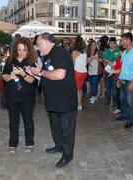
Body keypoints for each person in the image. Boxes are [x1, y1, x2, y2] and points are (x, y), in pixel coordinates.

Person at [29, 33, 77, 169]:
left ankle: (67, 156)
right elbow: (46, 76)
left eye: (38, 45)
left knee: (67, 131)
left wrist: (40, 72)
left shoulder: (60, 52)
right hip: (53, 101)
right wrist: (32, 72)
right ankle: (59, 146)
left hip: (65, 101)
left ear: (47, 42)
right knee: (55, 128)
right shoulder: (47, 56)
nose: (37, 48)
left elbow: (60, 75)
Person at [2, 37, 37, 154]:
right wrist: (10, 76)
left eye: (24, 50)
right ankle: (12, 144)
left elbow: (32, 80)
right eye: (19, 50)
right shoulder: (9, 60)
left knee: (28, 121)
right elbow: (4, 76)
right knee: (13, 121)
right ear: (15, 49)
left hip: (27, 97)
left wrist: (23, 74)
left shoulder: (32, 62)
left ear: (28, 50)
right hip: (12, 96)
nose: (21, 52)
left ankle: (29, 143)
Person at [116, 32, 133, 128]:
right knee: (122, 99)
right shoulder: (124, 53)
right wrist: (119, 78)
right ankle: (124, 115)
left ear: (128, 40)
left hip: (130, 81)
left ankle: (130, 121)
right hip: (122, 79)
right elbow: (122, 67)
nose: (121, 42)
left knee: (130, 102)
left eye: (122, 40)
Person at [71, 36, 87, 110]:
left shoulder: (74, 52)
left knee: (77, 89)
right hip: (84, 72)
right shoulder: (84, 52)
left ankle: (79, 105)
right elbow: (85, 63)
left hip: (77, 72)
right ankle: (79, 103)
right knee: (80, 88)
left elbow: (72, 63)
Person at [103, 37, 120, 106]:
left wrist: (114, 66)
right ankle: (108, 99)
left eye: (113, 43)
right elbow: (104, 59)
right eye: (111, 43)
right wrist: (107, 65)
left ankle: (115, 101)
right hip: (107, 71)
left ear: (115, 44)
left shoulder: (118, 51)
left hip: (115, 72)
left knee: (114, 86)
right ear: (109, 43)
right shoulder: (107, 51)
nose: (112, 45)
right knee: (107, 86)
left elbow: (119, 61)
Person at [87, 40, 102, 104]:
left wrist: (97, 58)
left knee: (94, 84)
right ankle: (94, 95)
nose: (93, 46)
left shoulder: (98, 52)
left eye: (95, 44)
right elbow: (86, 61)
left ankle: (93, 96)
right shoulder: (87, 52)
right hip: (89, 71)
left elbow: (102, 60)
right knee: (91, 84)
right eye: (92, 44)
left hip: (96, 71)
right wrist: (89, 60)